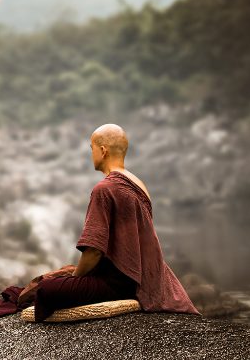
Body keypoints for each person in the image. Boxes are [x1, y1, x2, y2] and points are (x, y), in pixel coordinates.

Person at [32, 123, 200, 322]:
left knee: (45, 289)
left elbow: (94, 250)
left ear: (102, 151)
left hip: (118, 282)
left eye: (91, 148)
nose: (91, 153)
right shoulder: (138, 184)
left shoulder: (105, 189)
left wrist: (75, 279)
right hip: (139, 276)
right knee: (57, 276)